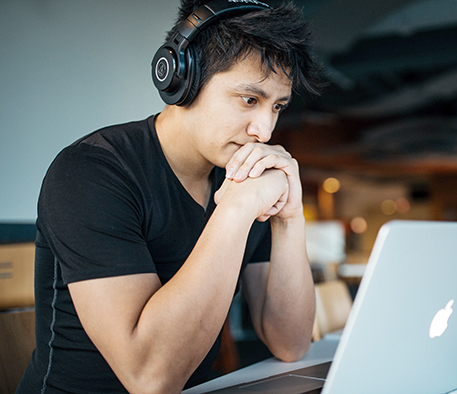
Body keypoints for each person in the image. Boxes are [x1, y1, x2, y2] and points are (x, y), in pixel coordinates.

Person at [17, 1, 324, 392]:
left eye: (277, 106)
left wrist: (289, 218)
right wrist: (236, 208)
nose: (264, 130)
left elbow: (291, 342)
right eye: (249, 100)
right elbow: (150, 377)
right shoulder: (90, 171)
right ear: (183, 80)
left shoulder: (242, 175)